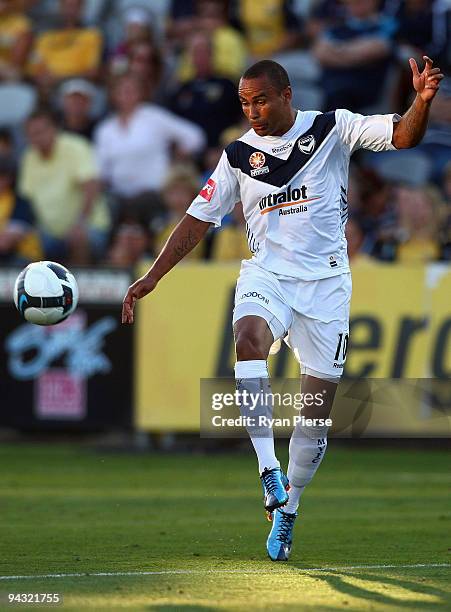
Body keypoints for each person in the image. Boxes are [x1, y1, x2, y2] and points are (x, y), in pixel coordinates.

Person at [122, 57, 444, 561]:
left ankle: (288, 508)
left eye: (261, 100)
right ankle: (266, 468)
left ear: (287, 94)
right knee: (247, 339)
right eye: (245, 102)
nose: (252, 110)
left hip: (327, 287)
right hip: (267, 276)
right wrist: (154, 275)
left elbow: (403, 137)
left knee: (313, 423)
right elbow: (198, 217)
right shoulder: (237, 156)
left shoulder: (332, 127)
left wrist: (420, 102)